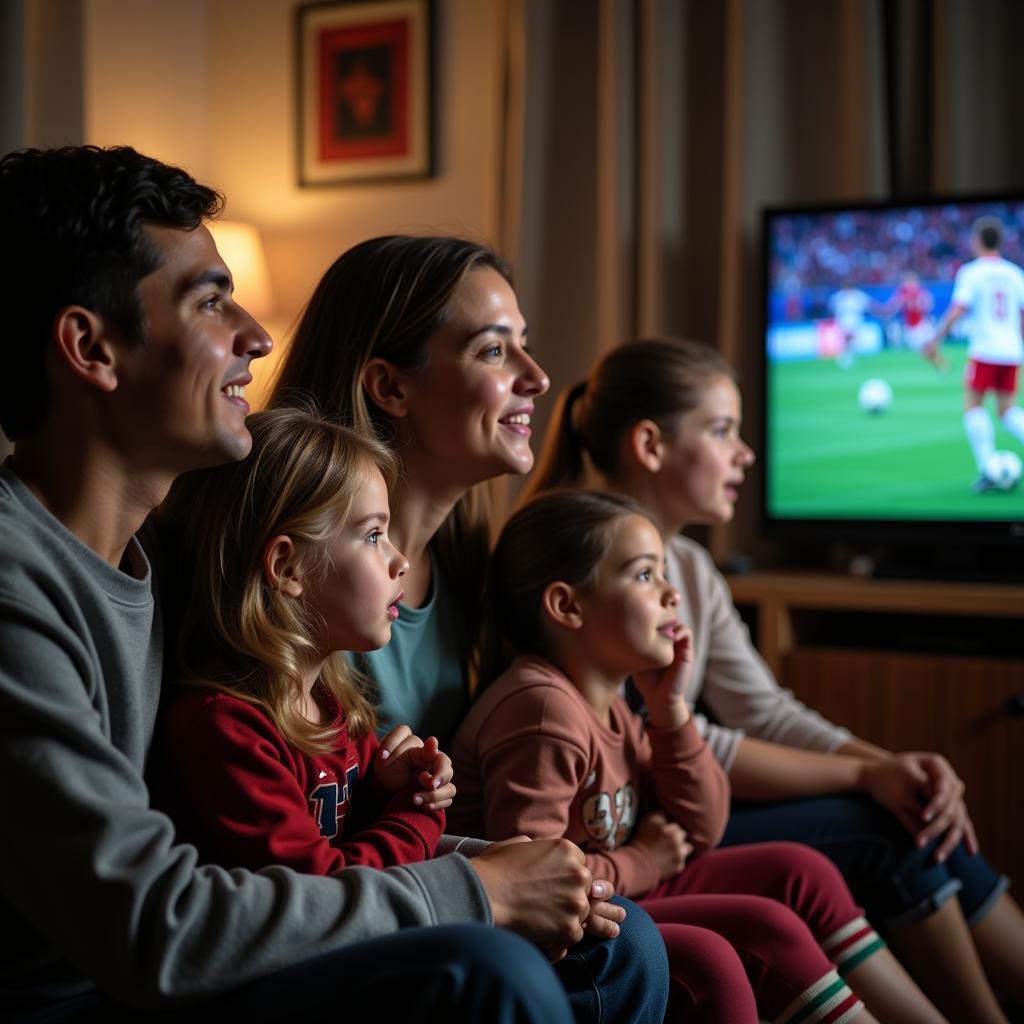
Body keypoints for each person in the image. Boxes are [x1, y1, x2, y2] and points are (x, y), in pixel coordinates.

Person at [0, 145, 627, 1024]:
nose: (256, 336)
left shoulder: (171, 558)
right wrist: (473, 887)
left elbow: (315, 831)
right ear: (90, 348)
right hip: (79, 997)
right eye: (212, 301)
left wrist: (514, 863)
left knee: (616, 940)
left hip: (176, 956)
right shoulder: (17, 593)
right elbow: (157, 924)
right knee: (489, 975)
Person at [524, 336, 1024, 1023]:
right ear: (650, 445)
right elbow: (688, 738)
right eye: (723, 431)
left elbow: (763, 710)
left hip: (690, 806)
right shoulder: (593, 574)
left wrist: (888, 764)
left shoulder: (691, 568)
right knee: (886, 823)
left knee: (914, 803)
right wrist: (861, 777)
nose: (746, 454)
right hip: (647, 825)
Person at [270, 234, 670, 1024]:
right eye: (495, 350)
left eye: (524, 345)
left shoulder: (470, 565)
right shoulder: (299, 575)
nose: (539, 377)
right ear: (390, 386)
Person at [451, 488, 953, 1023]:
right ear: (567, 606)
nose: (672, 594)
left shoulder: (615, 705)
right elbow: (533, 885)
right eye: (646, 575)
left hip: (612, 888)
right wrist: (645, 860)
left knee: (797, 868)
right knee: (753, 935)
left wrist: (670, 710)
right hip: (556, 928)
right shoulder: (543, 711)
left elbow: (704, 824)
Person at [153, 407, 457, 874]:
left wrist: (388, 786)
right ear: (288, 568)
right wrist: (417, 813)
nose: (401, 562)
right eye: (374, 535)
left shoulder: (332, 706)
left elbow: (348, 829)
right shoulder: (225, 730)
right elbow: (325, 892)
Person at [925, 216, 1024, 492]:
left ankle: (987, 469)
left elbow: (958, 309)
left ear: (977, 240)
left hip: (986, 350)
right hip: (1012, 350)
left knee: (973, 408)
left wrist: (935, 339)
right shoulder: (1015, 273)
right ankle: (992, 469)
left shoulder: (971, 272)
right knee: (1007, 412)